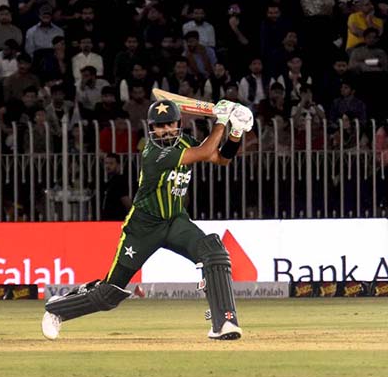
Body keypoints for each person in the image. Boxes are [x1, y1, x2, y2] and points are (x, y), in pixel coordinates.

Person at [42, 98, 253, 341]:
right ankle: (57, 310)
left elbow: (221, 158)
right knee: (110, 293)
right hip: (143, 226)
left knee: (214, 252)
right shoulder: (154, 153)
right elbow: (205, 151)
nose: (164, 131)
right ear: (151, 129)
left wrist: (236, 131)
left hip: (175, 221)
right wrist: (222, 120)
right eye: (158, 126)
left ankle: (224, 322)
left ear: (178, 123)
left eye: (169, 125)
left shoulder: (184, 142)